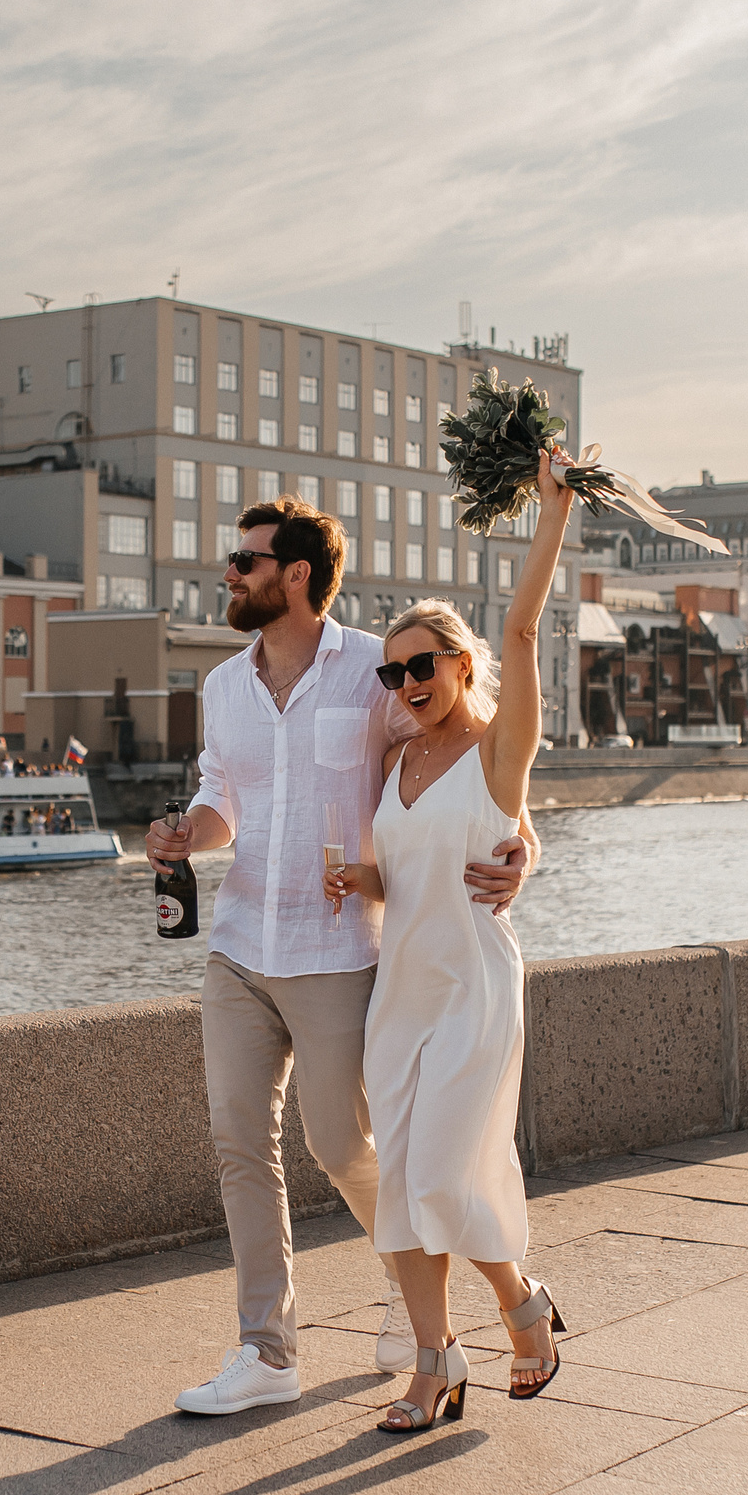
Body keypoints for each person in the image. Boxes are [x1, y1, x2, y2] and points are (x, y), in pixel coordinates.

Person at [152, 497, 539, 1417]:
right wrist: (185, 833)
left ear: (294, 575)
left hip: (337, 956)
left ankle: (421, 1312)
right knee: (239, 1145)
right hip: (240, 945)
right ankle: (267, 1348)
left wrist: (524, 842)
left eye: (245, 560)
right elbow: (222, 802)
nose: (228, 572)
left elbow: (462, 762)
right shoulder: (222, 687)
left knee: (343, 1145)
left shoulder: (377, 668)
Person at [323, 453, 576, 1432]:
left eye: (420, 665)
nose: (403, 682)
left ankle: (519, 1302)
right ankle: (434, 1363)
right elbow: (413, 869)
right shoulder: (395, 754)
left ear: (462, 666)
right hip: (402, 993)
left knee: (438, 1175)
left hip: (473, 988)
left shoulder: (499, 749)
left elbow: (521, 625)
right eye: (392, 671)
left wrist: (549, 516)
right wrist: (362, 877)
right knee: (402, 1188)